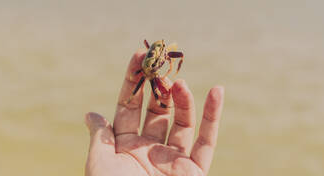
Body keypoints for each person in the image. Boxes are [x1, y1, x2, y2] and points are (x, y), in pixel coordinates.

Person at [85, 50, 224, 176]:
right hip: (148, 72)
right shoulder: (147, 70)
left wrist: (168, 64)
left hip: (151, 64)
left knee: (164, 90)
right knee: (158, 97)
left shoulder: (161, 52)